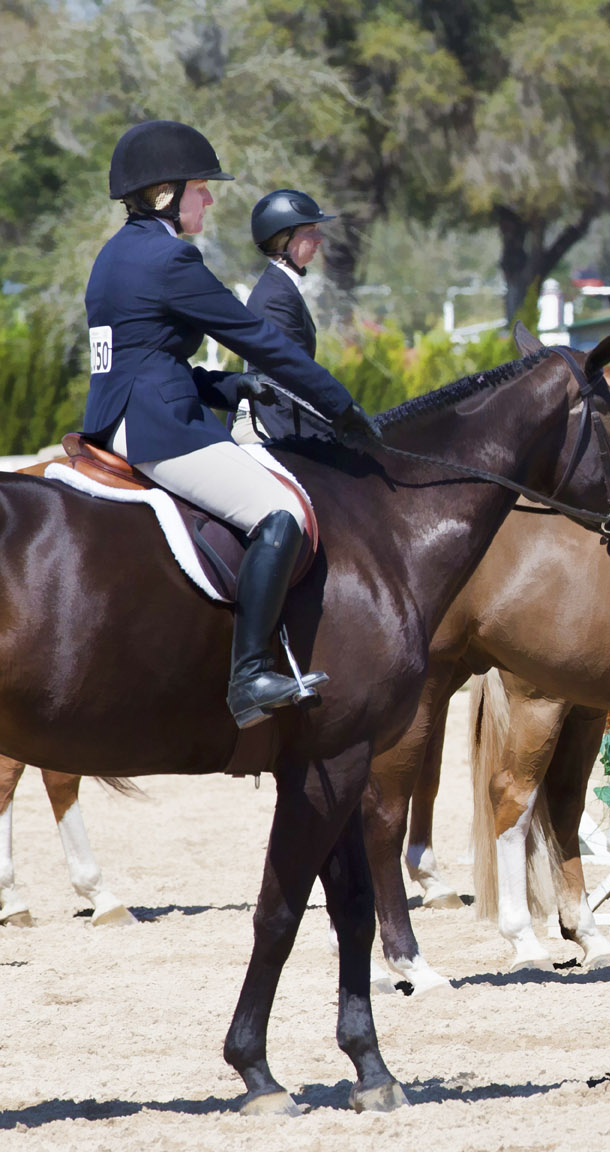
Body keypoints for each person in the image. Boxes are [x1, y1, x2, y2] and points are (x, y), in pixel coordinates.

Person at [84, 120, 376, 728]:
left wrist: (225, 385)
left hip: (116, 418)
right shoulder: (170, 257)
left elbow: (143, 359)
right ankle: (248, 677)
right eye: (200, 187)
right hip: (159, 428)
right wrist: (342, 405)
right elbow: (261, 340)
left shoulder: (113, 256)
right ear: (164, 193)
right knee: (281, 512)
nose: (210, 199)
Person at [238, 188, 339, 441]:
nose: (319, 239)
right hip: (266, 425)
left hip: (278, 417)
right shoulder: (276, 297)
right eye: (310, 231)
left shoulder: (282, 287)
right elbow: (291, 378)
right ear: (284, 238)